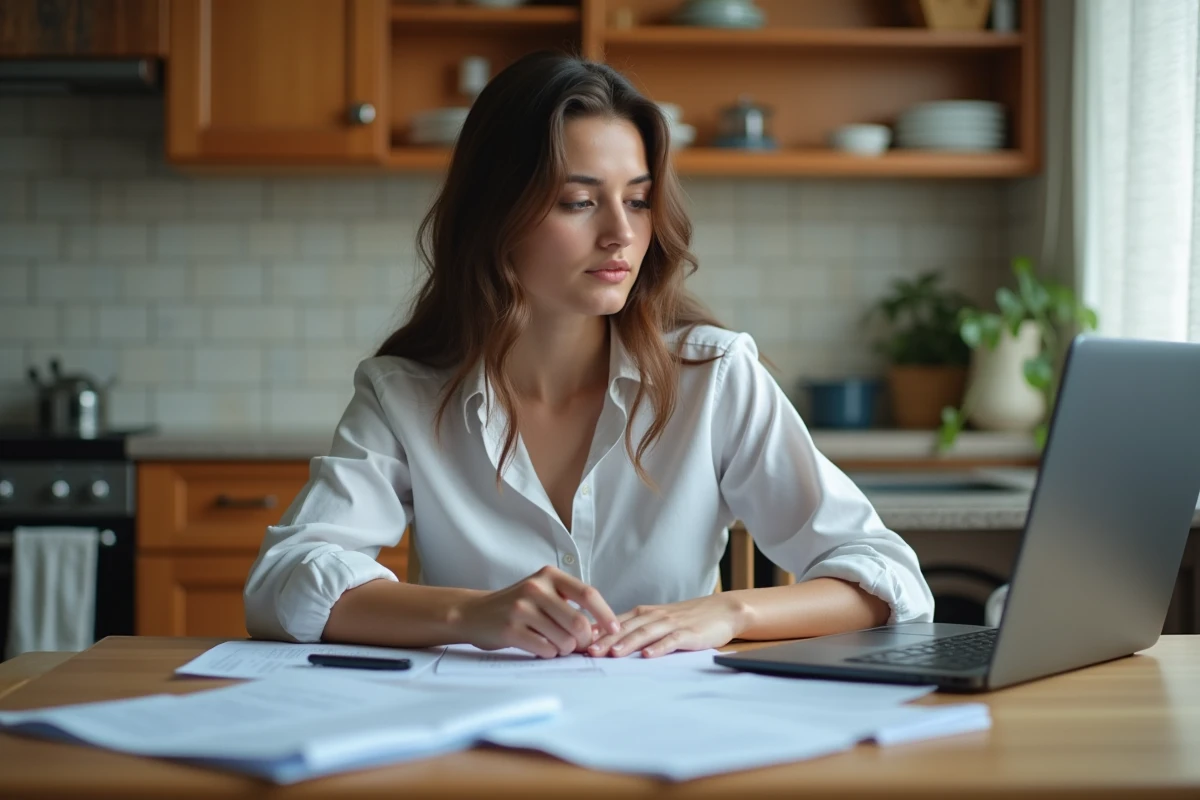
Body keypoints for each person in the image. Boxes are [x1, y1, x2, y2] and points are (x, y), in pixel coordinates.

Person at [244, 51, 933, 660]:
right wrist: (470, 614)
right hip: (477, 748)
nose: (620, 235)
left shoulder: (713, 377)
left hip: (680, 743)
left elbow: (887, 575)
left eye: (637, 201)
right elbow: (284, 581)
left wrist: (729, 611)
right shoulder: (405, 393)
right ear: (496, 216)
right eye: (578, 202)